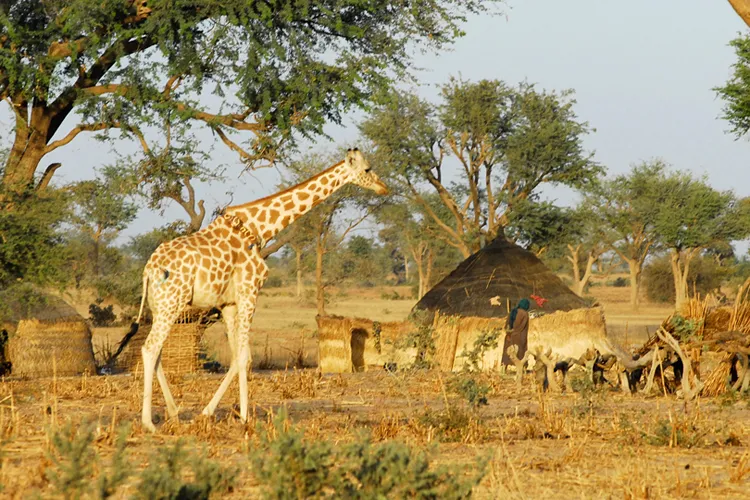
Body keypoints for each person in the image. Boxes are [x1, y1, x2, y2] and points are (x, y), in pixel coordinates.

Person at [501, 298, 531, 367]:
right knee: (521, 355)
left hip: (509, 336)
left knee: (507, 355)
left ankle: (504, 368)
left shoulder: (512, 312)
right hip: (519, 338)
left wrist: (509, 334)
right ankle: (522, 369)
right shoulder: (525, 314)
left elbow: (507, 325)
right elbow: (524, 328)